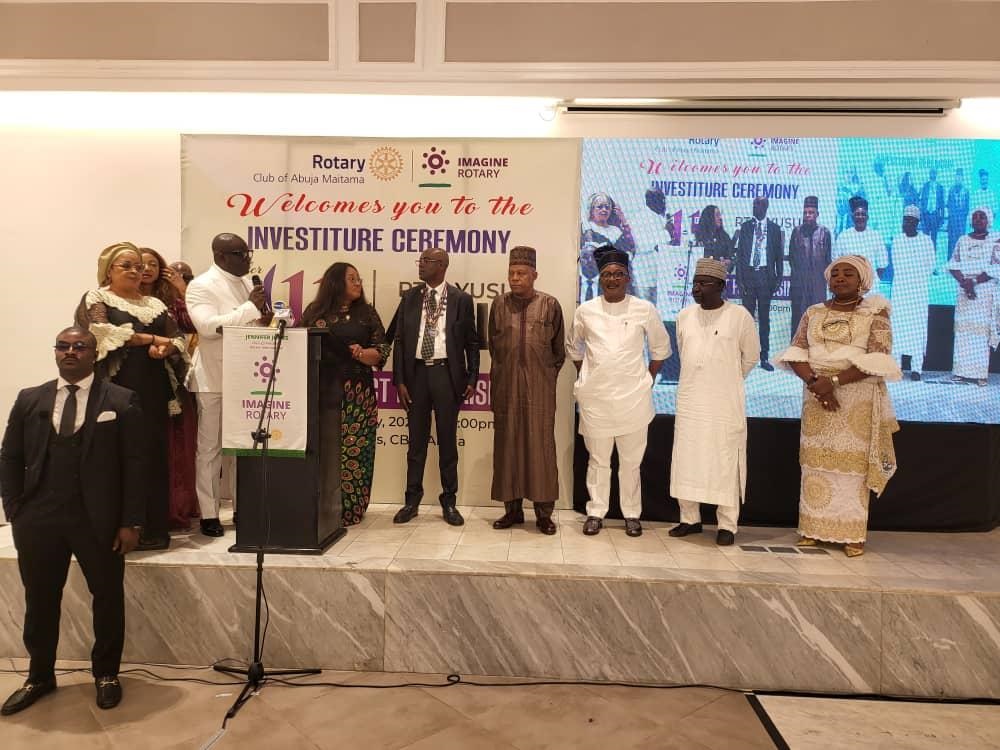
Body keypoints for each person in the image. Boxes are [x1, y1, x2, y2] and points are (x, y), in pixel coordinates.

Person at [0, 327, 146, 714]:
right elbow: (10, 456)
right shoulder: (30, 399)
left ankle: (106, 674)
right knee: (41, 598)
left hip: (97, 518)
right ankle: (40, 675)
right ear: (55, 353)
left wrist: (131, 520)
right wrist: (14, 506)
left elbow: (135, 465)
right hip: (38, 517)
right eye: (63, 346)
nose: (70, 352)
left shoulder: (121, 400)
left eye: (79, 346)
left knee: (107, 596)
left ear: (94, 354)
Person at [776, 255, 901, 557]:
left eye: (848, 274)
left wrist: (832, 383)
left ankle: (851, 533)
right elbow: (796, 352)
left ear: (863, 281)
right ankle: (812, 528)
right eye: (835, 274)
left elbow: (878, 359)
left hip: (856, 399)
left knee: (852, 469)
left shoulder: (876, 312)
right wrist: (816, 385)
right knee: (815, 463)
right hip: (816, 398)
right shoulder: (813, 311)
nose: (840, 279)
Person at [74, 242, 185, 551]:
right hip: (114, 390)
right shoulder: (98, 298)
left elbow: (178, 338)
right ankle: (111, 529)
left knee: (150, 455)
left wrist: (167, 347)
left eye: (138, 266)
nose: (136, 271)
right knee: (112, 456)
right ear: (109, 269)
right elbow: (103, 333)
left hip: (152, 390)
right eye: (127, 266)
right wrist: (152, 337)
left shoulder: (154, 305)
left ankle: (152, 530)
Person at [567, 245, 670, 537]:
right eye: (607, 274)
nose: (612, 279)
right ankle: (596, 512)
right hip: (596, 400)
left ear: (627, 277)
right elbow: (574, 349)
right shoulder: (586, 311)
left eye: (618, 274)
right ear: (600, 278)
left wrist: (648, 379)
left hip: (633, 400)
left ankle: (632, 514)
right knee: (598, 460)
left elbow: (661, 349)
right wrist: (588, 379)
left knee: (631, 462)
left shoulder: (644, 309)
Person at [668, 259, 759, 545]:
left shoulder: (740, 315)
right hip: (691, 400)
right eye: (694, 283)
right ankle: (689, 519)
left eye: (703, 284)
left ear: (721, 286)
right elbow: (685, 353)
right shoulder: (684, 316)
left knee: (725, 459)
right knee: (688, 457)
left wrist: (727, 379)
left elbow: (751, 357)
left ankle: (727, 525)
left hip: (724, 402)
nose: (696, 289)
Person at [185, 233, 271, 537]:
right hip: (214, 377)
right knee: (209, 449)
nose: (247, 259)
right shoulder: (201, 286)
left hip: (247, 376)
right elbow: (208, 328)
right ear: (221, 256)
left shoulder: (248, 282)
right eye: (240, 254)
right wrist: (250, 309)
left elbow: (249, 323)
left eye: (247, 252)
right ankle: (210, 514)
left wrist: (265, 319)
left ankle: (242, 508)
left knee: (242, 447)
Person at [391, 247, 480, 526]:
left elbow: (471, 342)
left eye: (426, 261)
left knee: (447, 442)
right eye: (420, 260)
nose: (420, 264)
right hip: (416, 375)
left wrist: (473, 376)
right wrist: (400, 380)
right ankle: (411, 500)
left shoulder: (461, 299)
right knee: (416, 442)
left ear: (441, 265)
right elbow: (400, 341)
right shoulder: (410, 297)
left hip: (446, 374)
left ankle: (449, 501)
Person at [299, 262, 390, 526]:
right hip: (322, 389)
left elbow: (382, 351)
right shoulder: (314, 312)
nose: (358, 282)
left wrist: (361, 353)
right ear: (335, 282)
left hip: (358, 393)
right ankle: (320, 506)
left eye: (359, 278)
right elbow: (299, 345)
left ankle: (351, 510)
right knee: (323, 448)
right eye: (351, 278)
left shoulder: (366, 313)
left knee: (355, 451)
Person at [488, 246, 566, 535]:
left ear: (535, 275)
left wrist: (542, 376)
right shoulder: (499, 305)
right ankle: (512, 511)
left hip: (540, 390)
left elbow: (559, 352)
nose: (515, 278)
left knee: (540, 448)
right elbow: (494, 347)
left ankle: (544, 514)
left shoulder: (550, 305)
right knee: (507, 446)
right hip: (506, 387)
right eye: (511, 273)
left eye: (521, 273)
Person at [138, 248, 199, 531]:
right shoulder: (111, 301)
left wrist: (180, 287)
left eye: (153, 264)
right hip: (128, 379)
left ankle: (176, 508)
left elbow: (192, 326)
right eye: (141, 264)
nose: (146, 269)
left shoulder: (168, 301)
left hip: (169, 378)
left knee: (176, 444)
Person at [948, 208, 1000, 387]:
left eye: (982, 217)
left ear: (989, 221)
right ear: (970, 220)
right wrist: (965, 282)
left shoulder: (996, 240)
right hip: (964, 292)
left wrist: (975, 281)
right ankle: (960, 373)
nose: (978, 220)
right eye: (975, 217)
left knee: (980, 335)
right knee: (963, 333)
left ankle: (980, 374)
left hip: (984, 293)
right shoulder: (962, 240)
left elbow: (996, 268)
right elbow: (953, 264)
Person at [734, 197, 783, 370]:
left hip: (765, 277)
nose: (756, 207)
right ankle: (744, 356)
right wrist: (740, 280)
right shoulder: (746, 227)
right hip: (748, 276)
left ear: (766, 207)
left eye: (760, 204)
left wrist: (778, 279)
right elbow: (740, 256)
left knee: (764, 320)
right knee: (746, 319)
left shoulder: (775, 229)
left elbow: (778, 256)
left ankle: (764, 357)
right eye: (754, 204)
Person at [891, 206, 935, 380]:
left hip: (918, 292)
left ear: (917, 223)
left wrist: (916, 278)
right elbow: (897, 264)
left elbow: (930, 266)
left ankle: (917, 369)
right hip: (900, 291)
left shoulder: (926, 241)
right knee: (898, 327)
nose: (906, 223)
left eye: (910, 220)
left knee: (917, 329)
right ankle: (896, 367)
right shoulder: (897, 240)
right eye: (905, 220)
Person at [787, 196, 832, 337]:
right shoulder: (797, 232)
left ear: (817, 214)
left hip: (818, 286)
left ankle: (815, 355)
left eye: (811, 212)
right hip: (800, 287)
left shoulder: (824, 233)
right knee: (798, 322)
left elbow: (828, 260)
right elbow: (792, 258)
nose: (808, 216)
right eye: (805, 212)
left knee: (817, 321)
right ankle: (795, 354)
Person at [579, 192, 636, 303]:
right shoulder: (586, 227)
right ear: (591, 210)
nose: (604, 210)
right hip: (590, 278)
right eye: (600, 207)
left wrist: (623, 219)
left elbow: (630, 248)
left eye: (607, 207)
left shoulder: (615, 230)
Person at [833, 196, 888, 279]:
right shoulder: (843, 237)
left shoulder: (876, 236)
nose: (860, 217)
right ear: (852, 217)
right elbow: (836, 263)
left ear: (867, 217)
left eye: (863, 214)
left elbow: (882, 265)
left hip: (870, 287)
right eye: (857, 214)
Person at [694, 205, 734, 269]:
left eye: (720, 215)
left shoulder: (725, 237)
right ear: (709, 217)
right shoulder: (699, 236)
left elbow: (731, 258)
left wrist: (727, 262)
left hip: (717, 274)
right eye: (717, 215)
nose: (720, 218)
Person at [946, 169, 970, 261]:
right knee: (951, 240)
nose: (958, 179)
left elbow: (967, 208)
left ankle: (959, 261)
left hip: (961, 222)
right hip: (952, 221)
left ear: (962, 178)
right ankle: (949, 260)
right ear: (955, 178)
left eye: (960, 177)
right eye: (957, 177)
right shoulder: (951, 190)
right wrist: (952, 216)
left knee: (960, 241)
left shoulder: (966, 191)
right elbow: (949, 205)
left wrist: (962, 217)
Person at [919, 168, 945, 252]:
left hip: (935, 216)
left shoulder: (940, 187)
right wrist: (921, 216)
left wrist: (942, 218)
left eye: (934, 174)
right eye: (931, 173)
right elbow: (922, 201)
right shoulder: (925, 186)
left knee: (934, 238)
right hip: (926, 215)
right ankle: (924, 255)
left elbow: (942, 204)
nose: (932, 175)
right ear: (929, 175)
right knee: (925, 238)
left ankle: (932, 255)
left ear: (936, 175)